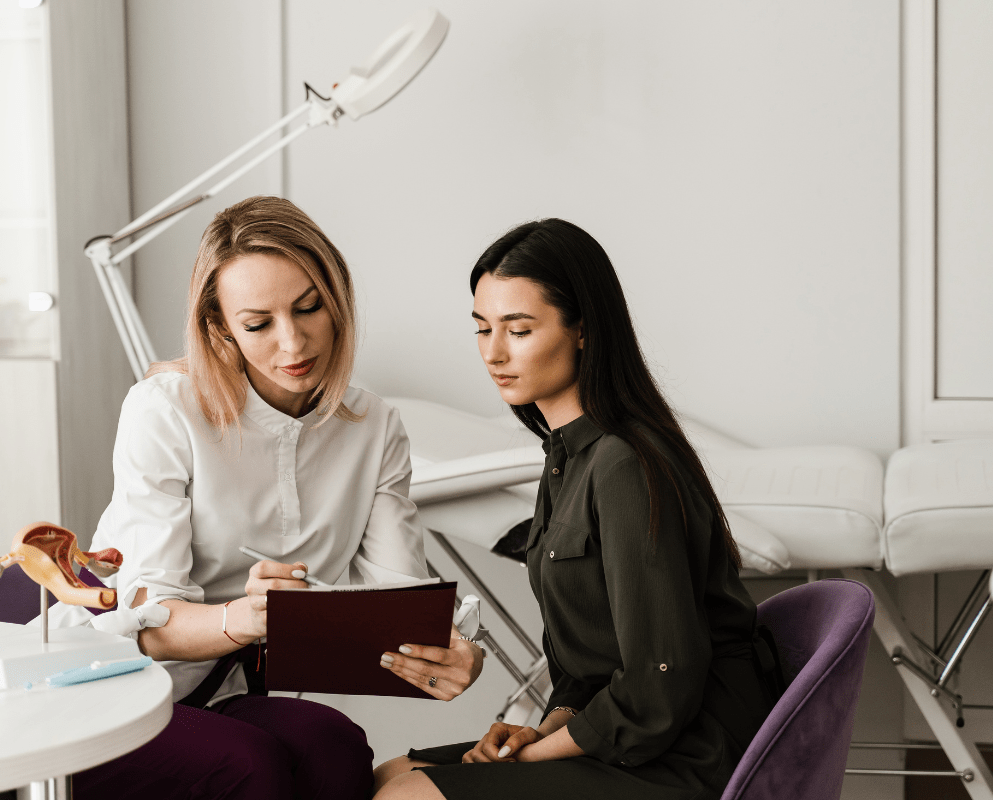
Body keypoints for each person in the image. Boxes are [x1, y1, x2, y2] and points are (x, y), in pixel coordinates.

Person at [70, 196, 484, 800]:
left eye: (309, 307)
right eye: (258, 324)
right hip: (116, 688)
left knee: (336, 749)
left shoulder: (374, 426)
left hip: (223, 695)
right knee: (252, 767)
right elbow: (145, 624)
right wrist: (244, 618)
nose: (293, 344)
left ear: (337, 299)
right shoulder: (164, 411)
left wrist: (451, 650)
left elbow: (393, 605)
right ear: (221, 329)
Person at [372, 219, 780, 800]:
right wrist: (534, 733)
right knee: (390, 773)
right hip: (633, 740)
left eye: (519, 329)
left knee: (404, 797)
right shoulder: (565, 457)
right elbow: (592, 672)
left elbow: (656, 688)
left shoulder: (624, 465)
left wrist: (535, 753)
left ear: (583, 329)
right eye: (482, 328)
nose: (493, 352)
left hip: (685, 758)